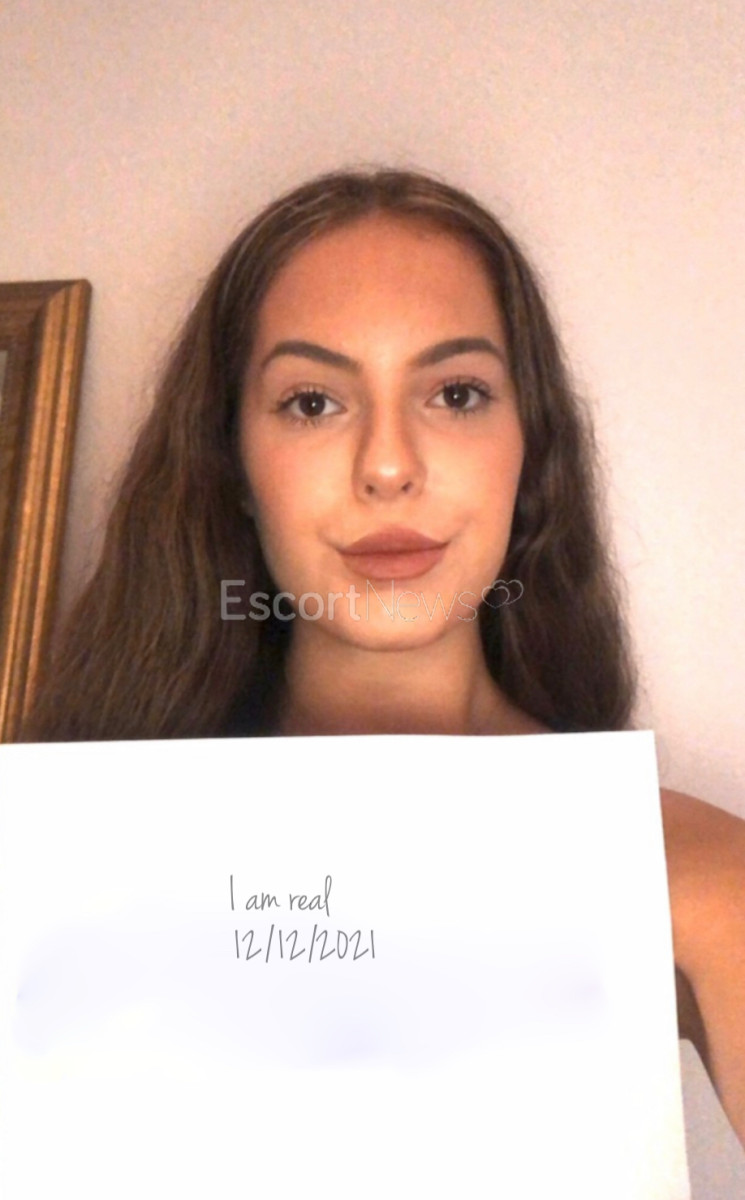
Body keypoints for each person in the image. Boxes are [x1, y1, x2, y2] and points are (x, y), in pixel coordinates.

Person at [21, 166, 745, 1147]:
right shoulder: (59, 875)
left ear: (529, 446)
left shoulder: (700, 881)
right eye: (313, 402)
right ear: (232, 466)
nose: (389, 465)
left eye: (456, 392)